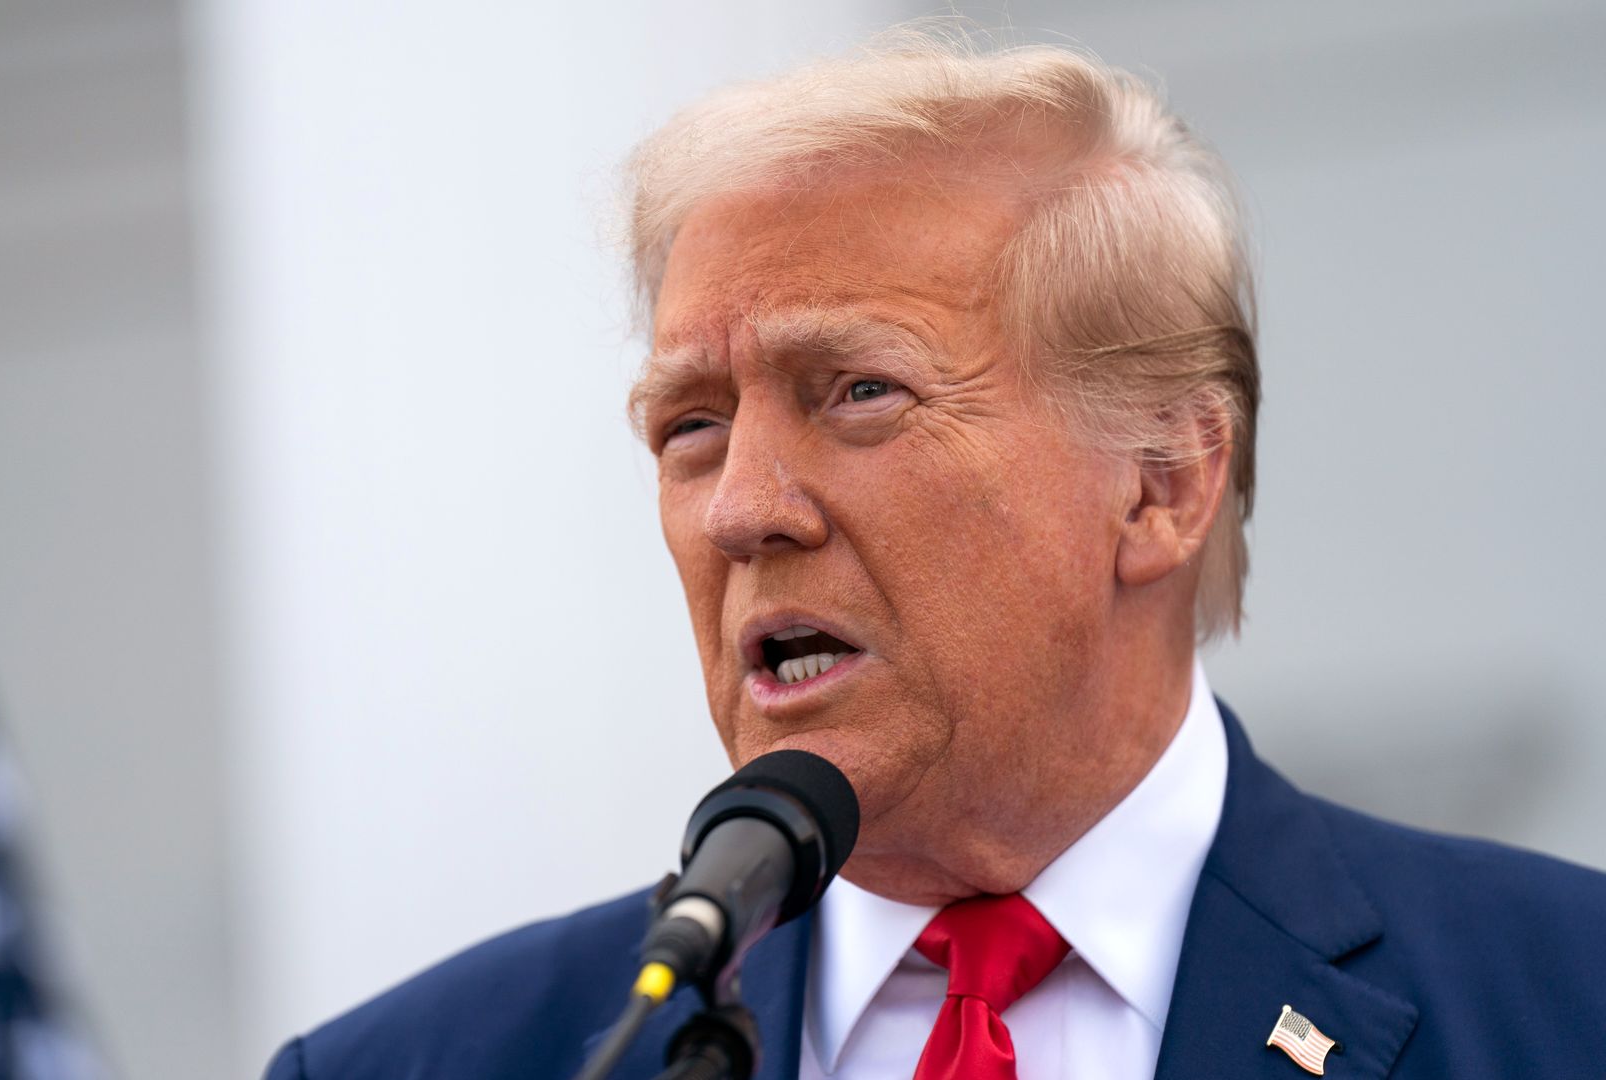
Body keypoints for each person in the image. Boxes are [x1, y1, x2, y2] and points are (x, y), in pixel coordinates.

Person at [265, 33, 1606, 1080]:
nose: (741, 510)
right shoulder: (428, 1062)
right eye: (692, 426)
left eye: (860, 391)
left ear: (1163, 482)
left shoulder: (1564, 1001)